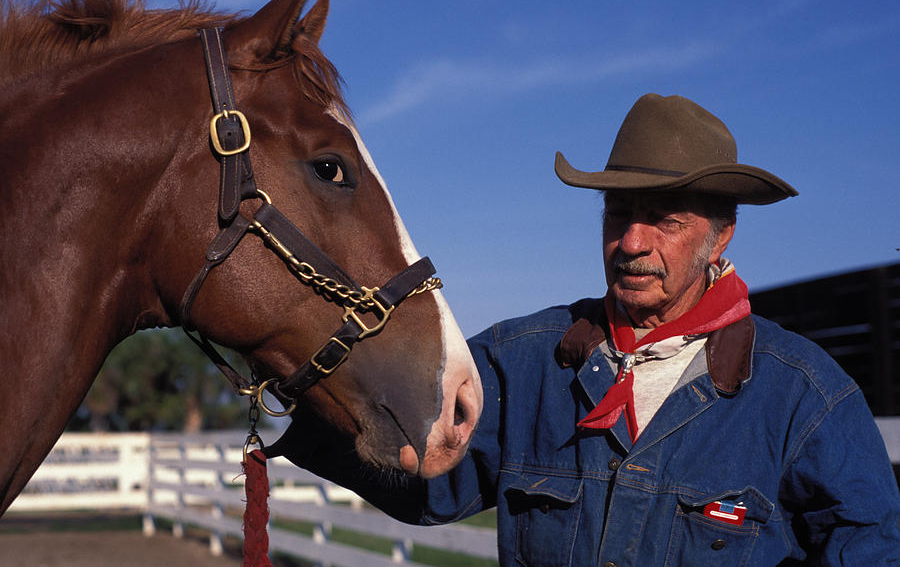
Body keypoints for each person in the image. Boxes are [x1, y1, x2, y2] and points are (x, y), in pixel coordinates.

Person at [284, 94, 900, 565]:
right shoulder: (521, 363)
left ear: (721, 235)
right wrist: (291, 374)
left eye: (664, 220)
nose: (632, 242)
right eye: (618, 213)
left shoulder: (805, 400)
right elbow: (427, 483)